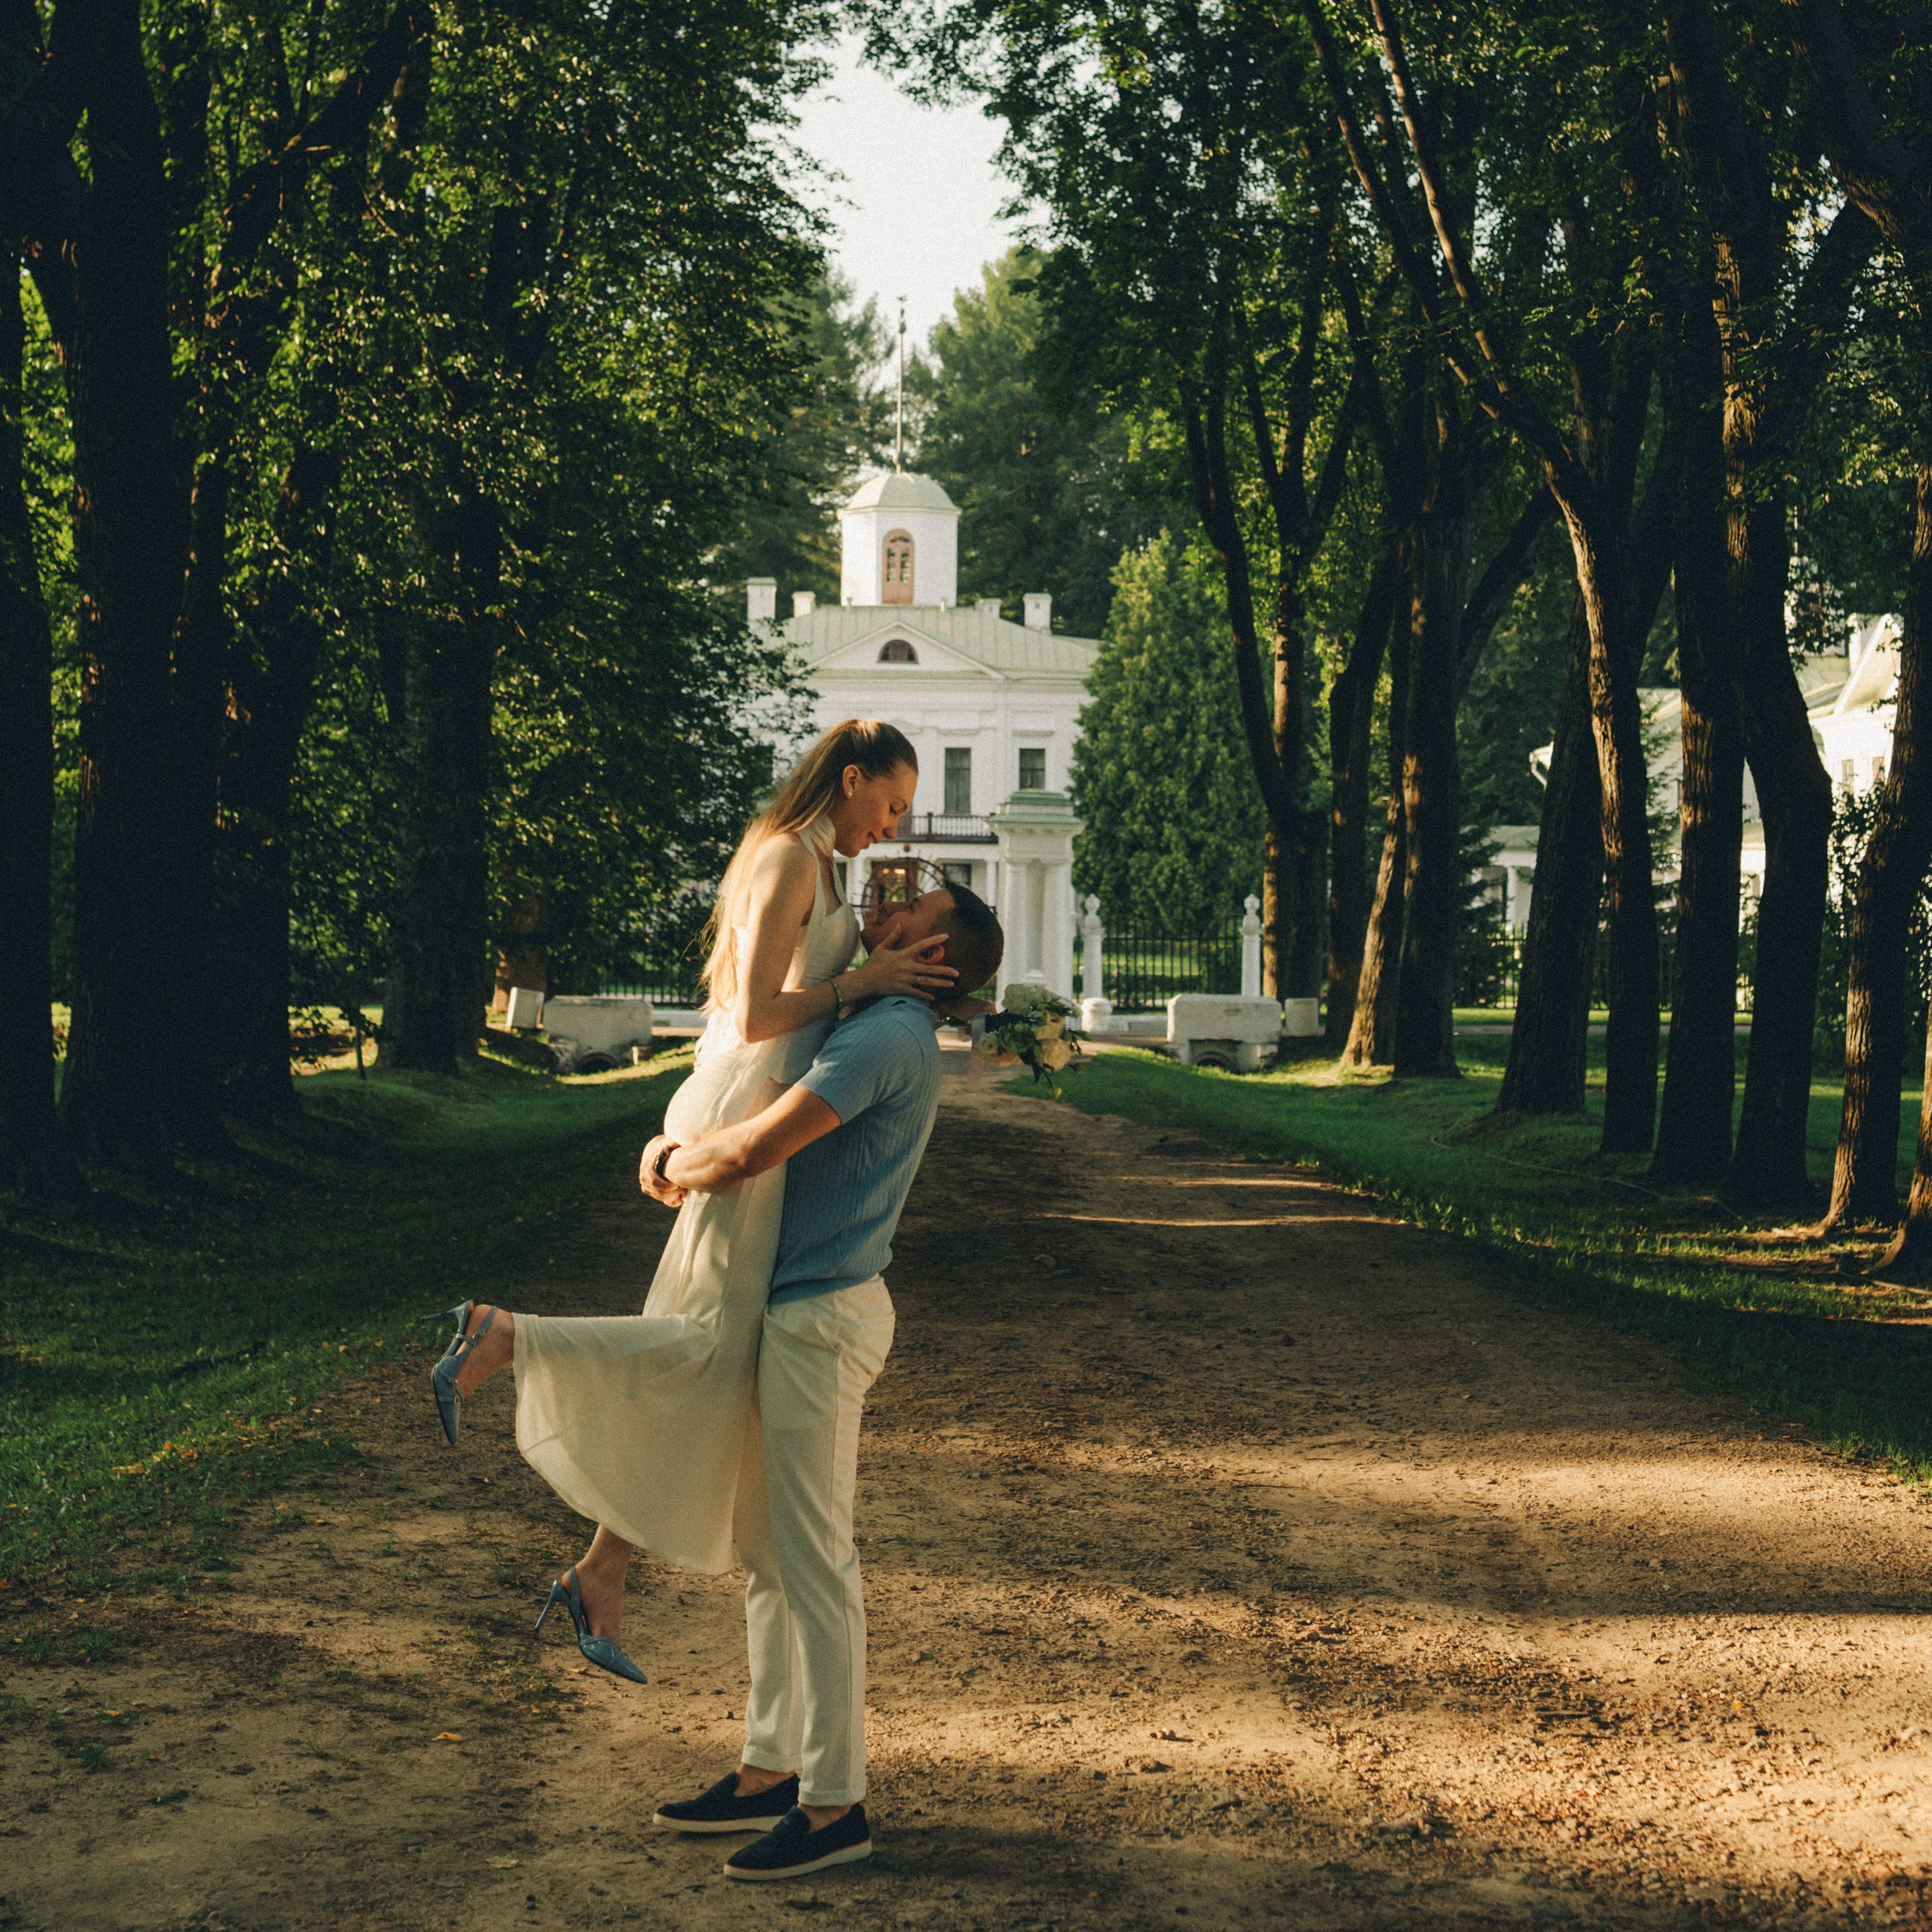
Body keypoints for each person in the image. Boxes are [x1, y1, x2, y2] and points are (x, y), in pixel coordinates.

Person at [427, 720, 955, 1680]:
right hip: (746, 1108)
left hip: (767, 1109)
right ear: (847, 781)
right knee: (711, 1343)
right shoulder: (788, 858)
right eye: (888, 806)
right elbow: (754, 1017)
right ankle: (504, 1336)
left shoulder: (823, 863)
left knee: (718, 1356)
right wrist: (861, 982)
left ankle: (601, 1570)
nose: (893, 827)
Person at [638, 881, 1004, 1881]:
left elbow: (760, 1147)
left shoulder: (888, 1037)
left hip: (820, 1321)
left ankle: (836, 1801)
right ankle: (767, 1770)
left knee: (814, 1562)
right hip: (791, 1308)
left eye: (913, 904)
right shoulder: (867, 1012)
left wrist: (672, 1155)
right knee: (769, 1553)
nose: (889, 900)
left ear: (936, 952)